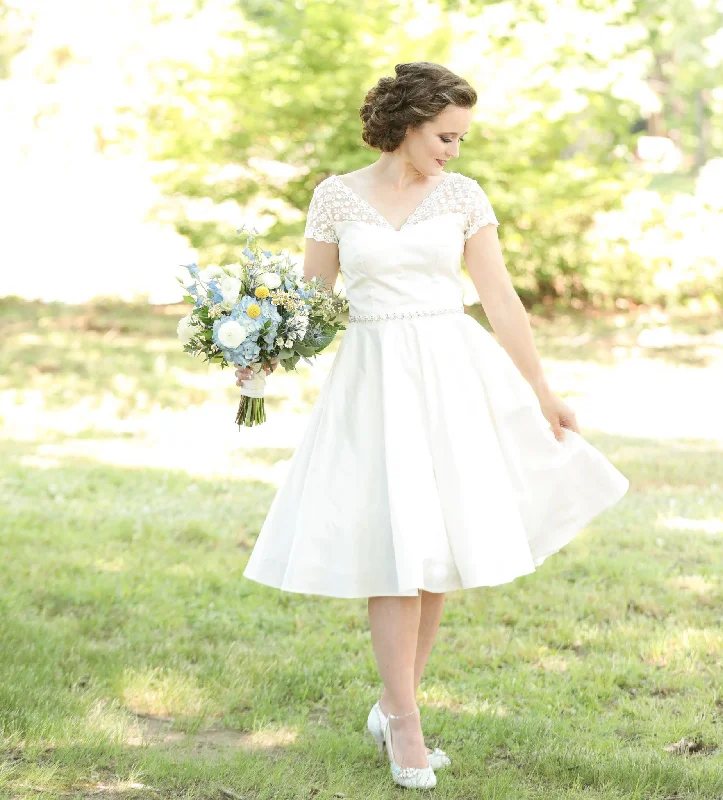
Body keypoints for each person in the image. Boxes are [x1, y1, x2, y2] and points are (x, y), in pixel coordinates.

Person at [237, 61, 630, 790]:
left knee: (438, 545)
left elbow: (501, 300)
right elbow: (311, 308)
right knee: (396, 542)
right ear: (407, 124)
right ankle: (407, 725)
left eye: (462, 138)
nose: (455, 149)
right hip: (373, 379)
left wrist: (543, 389)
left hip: (451, 373)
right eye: (446, 135)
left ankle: (395, 706)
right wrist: (255, 354)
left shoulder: (463, 197)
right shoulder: (335, 199)